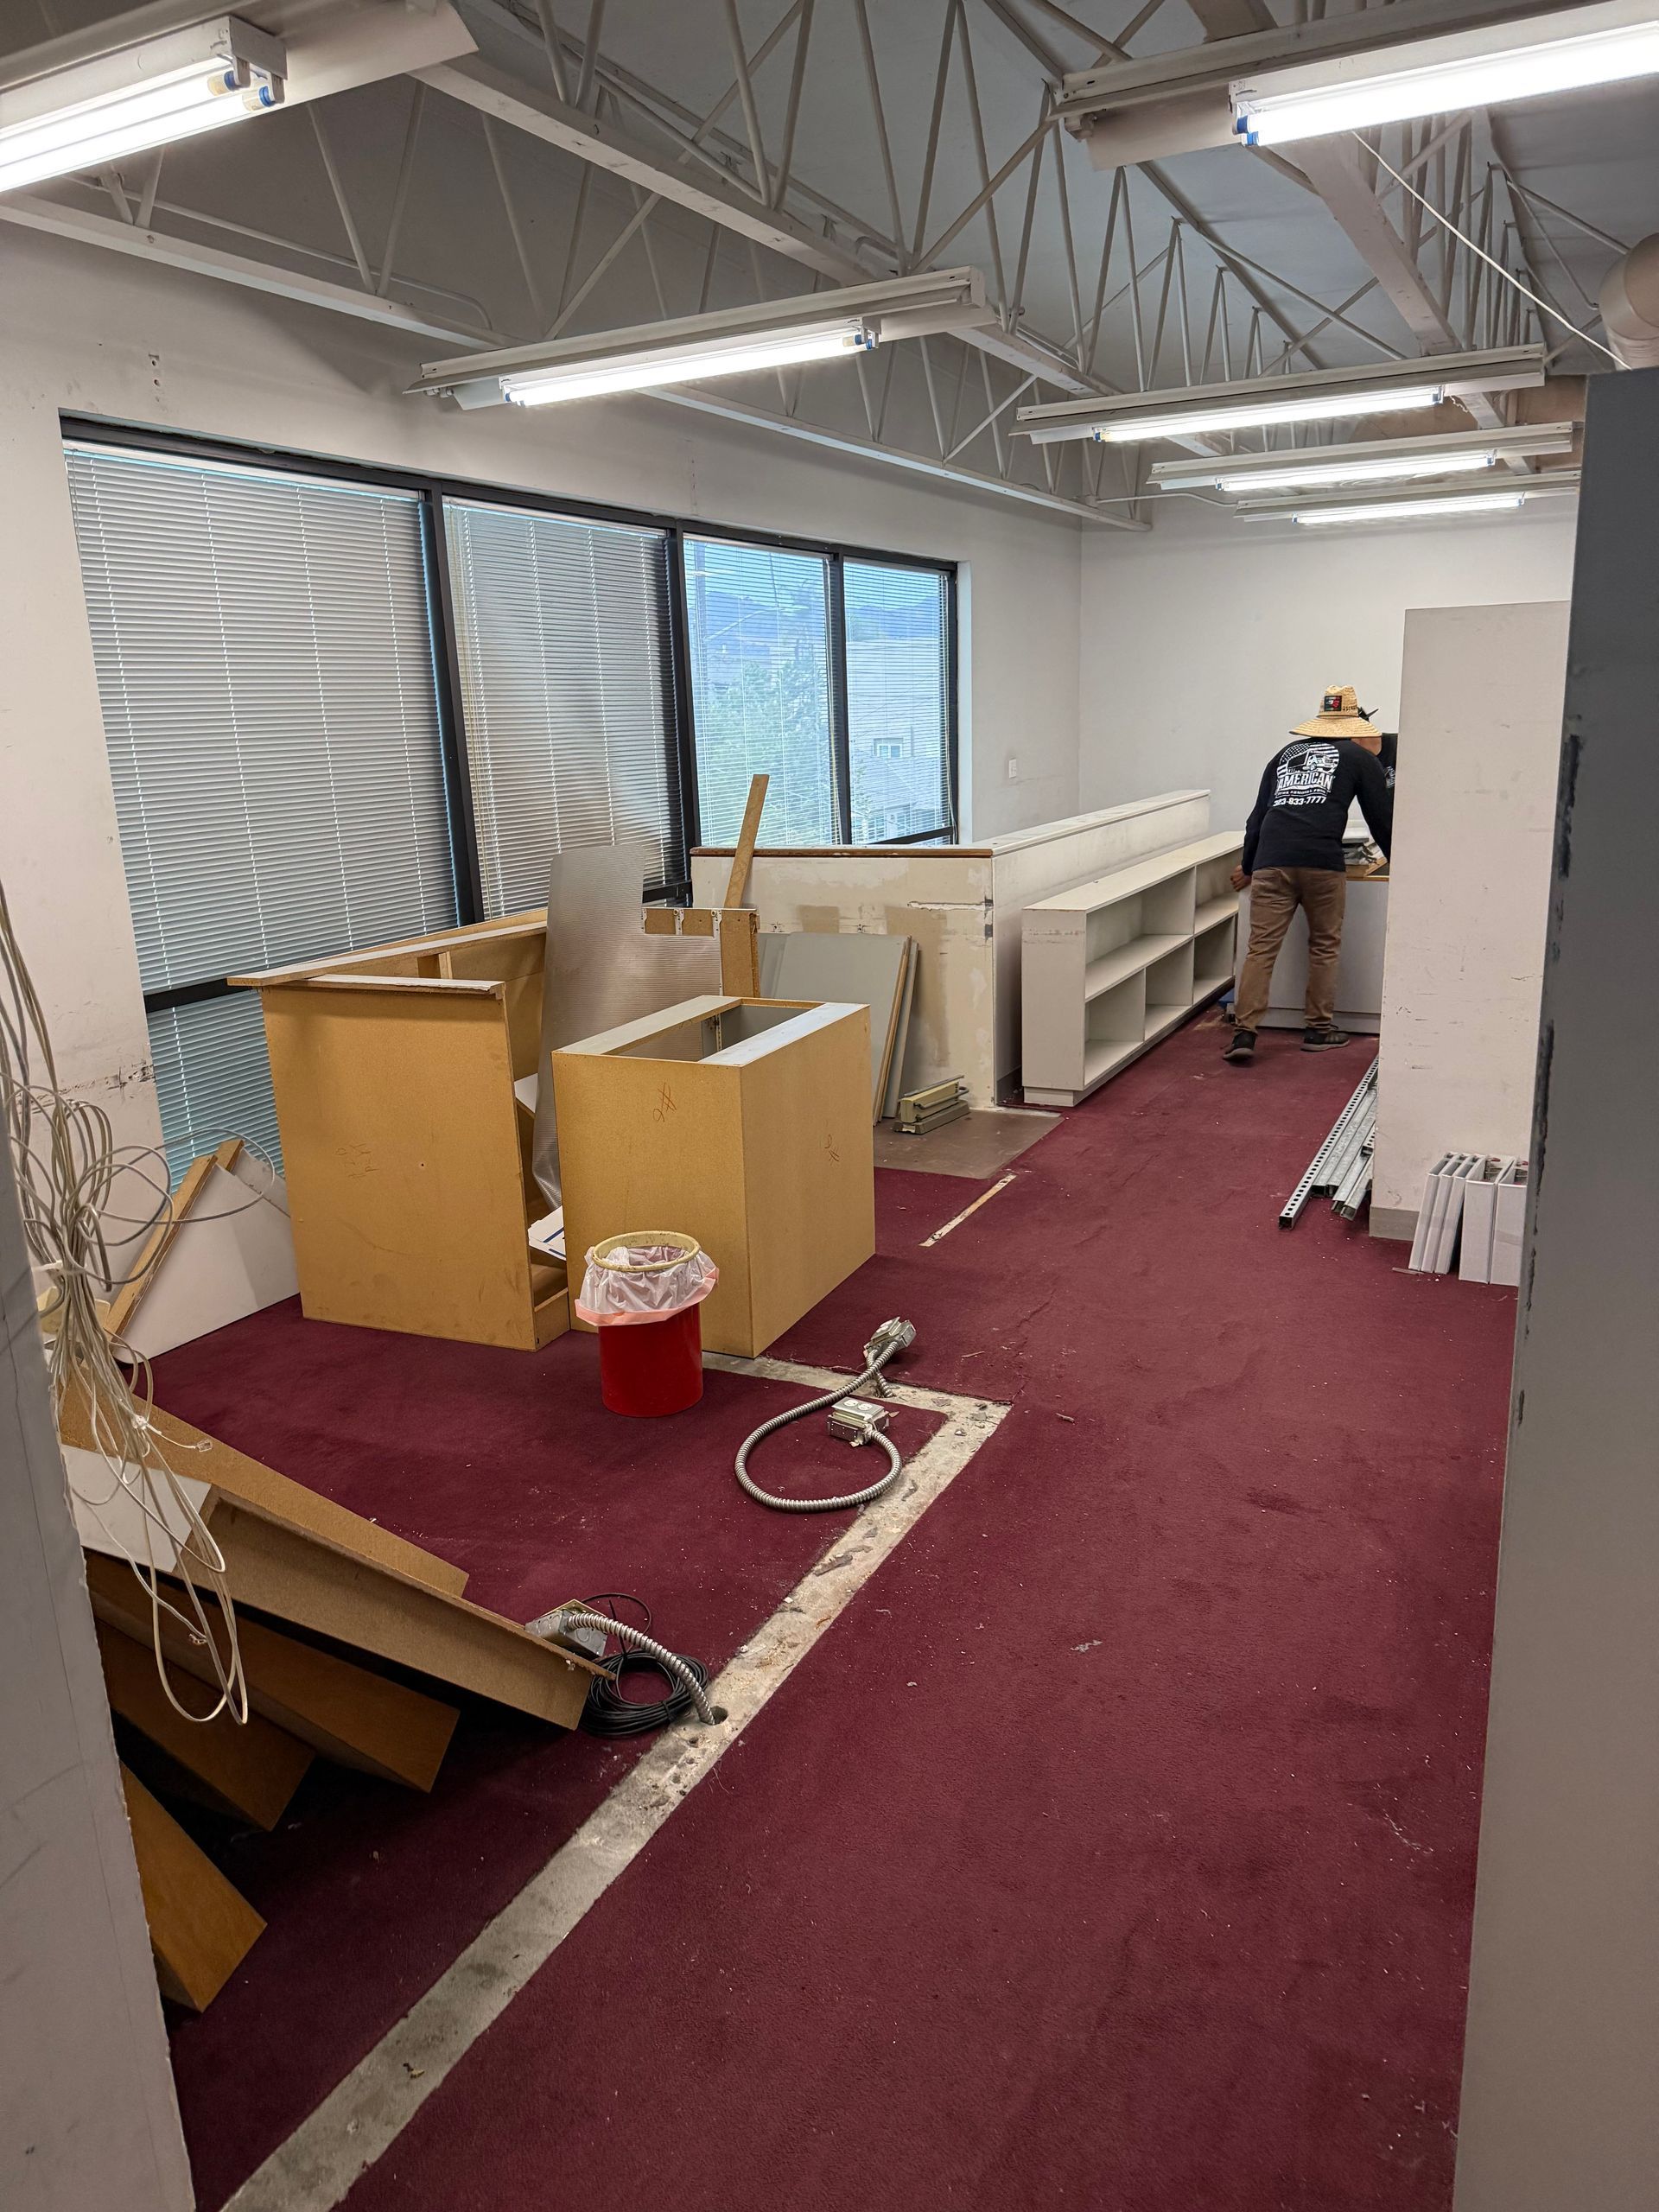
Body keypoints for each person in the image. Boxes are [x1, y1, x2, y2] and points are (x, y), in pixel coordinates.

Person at [1224, 683, 1393, 1065]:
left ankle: (1244, 1033)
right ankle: (1318, 1029)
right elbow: (1381, 818)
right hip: (1321, 863)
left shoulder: (1284, 755)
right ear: (1356, 725)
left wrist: (1250, 865)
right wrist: (1398, 860)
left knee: (1260, 949)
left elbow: (1257, 819)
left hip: (1272, 860)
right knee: (1324, 945)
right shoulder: (1358, 758)